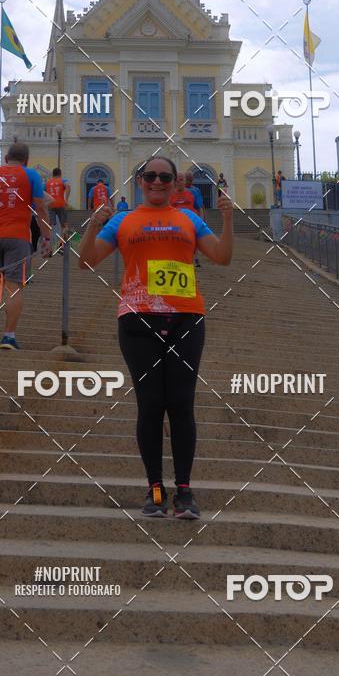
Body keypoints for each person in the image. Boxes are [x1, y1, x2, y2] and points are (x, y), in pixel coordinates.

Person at [78, 156, 233, 520]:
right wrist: (91, 226)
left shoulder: (189, 219)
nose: (159, 182)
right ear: (140, 180)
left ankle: (184, 490)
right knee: (150, 405)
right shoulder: (123, 219)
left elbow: (222, 258)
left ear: (175, 182)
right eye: (151, 176)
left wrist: (226, 219)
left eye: (166, 177)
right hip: (137, 319)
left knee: (181, 404)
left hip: (186, 318)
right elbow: (86, 262)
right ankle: (154, 489)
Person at [0, 143, 50, 350]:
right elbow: (41, 208)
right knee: (13, 286)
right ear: (26, 160)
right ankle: (9, 337)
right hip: (18, 237)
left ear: (7, 157)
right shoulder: (31, 176)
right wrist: (46, 237)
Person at [45, 168, 70, 252]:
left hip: (50, 205)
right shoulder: (62, 180)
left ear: (53, 174)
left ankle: (49, 246)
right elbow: (68, 186)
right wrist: (66, 199)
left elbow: (42, 192)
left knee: (50, 226)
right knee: (64, 225)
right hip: (61, 204)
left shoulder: (47, 182)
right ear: (60, 174)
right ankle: (61, 245)